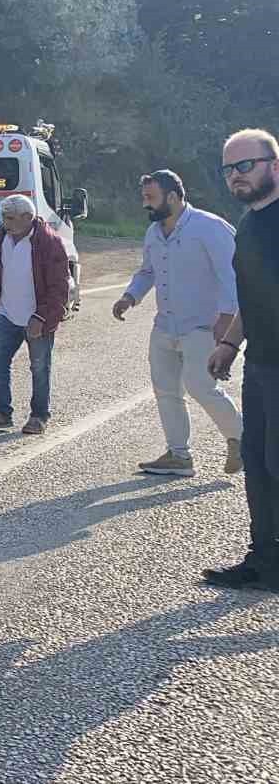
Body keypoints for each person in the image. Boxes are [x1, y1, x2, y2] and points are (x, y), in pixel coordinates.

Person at [113, 170, 243, 477]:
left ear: (173, 197)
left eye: (151, 198)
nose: (146, 204)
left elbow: (232, 279)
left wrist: (226, 328)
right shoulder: (154, 233)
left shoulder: (211, 228)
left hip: (203, 326)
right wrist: (130, 297)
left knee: (201, 387)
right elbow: (148, 272)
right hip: (165, 326)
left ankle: (242, 439)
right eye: (144, 197)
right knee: (166, 390)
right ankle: (179, 455)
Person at [205, 129, 279, 591]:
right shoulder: (249, 223)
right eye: (229, 169)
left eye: (245, 166)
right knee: (256, 459)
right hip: (262, 363)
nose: (236, 176)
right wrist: (230, 344)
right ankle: (265, 560)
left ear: (275, 164)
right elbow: (253, 298)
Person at [0, 194, 69, 435]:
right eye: (4, 218)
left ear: (28, 218)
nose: (5, 223)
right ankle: (1, 413)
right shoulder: (1, 236)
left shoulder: (49, 242)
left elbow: (59, 287)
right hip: (5, 312)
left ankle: (39, 416)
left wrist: (42, 318)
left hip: (36, 317)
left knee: (39, 367)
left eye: (10, 218)